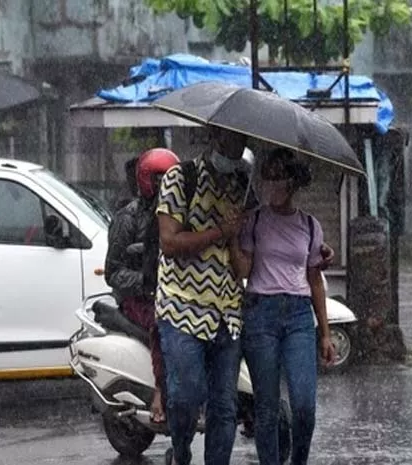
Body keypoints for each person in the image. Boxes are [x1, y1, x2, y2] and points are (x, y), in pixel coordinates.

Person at [155, 128, 336, 465]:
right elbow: (168, 242)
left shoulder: (243, 189)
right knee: (188, 395)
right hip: (183, 306)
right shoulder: (181, 177)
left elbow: (254, 256)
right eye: (230, 140)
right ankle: (180, 452)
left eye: (242, 142)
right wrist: (221, 233)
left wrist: (317, 252)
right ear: (214, 137)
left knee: (226, 409)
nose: (236, 148)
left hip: (229, 312)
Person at [231, 148, 336, 465]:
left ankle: (299, 460)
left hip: (300, 317)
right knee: (267, 407)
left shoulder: (309, 225)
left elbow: (315, 279)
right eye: (268, 177)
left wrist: (326, 334)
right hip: (260, 314)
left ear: (292, 183)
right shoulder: (256, 220)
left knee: (304, 405)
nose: (271, 184)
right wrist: (232, 236)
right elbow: (243, 270)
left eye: (279, 178)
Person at [104, 147, 180, 424]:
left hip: (174, 290)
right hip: (139, 298)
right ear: (147, 180)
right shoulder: (128, 218)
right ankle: (160, 390)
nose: (165, 186)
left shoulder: (179, 215)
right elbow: (113, 272)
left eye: (171, 178)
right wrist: (147, 281)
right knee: (165, 323)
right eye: (159, 179)